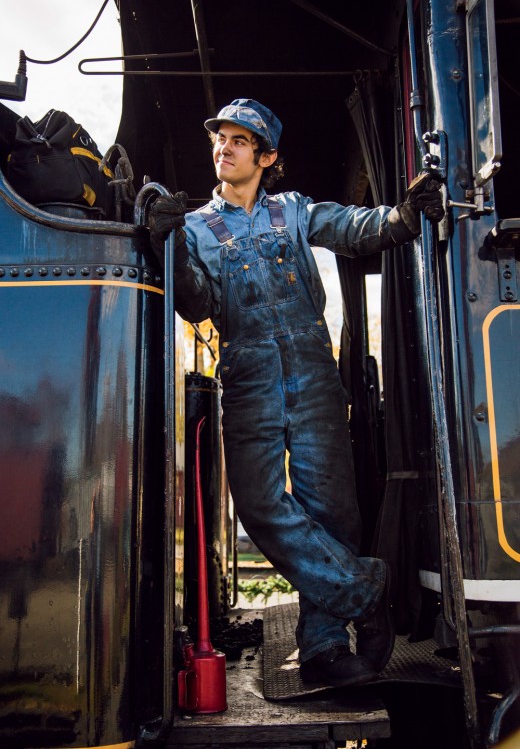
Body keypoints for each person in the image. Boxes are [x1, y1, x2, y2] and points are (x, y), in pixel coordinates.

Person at [149, 98, 444, 687]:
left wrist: (404, 216)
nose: (224, 148)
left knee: (331, 511)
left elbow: (353, 228)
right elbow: (199, 304)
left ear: (267, 155)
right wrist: (171, 250)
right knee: (260, 505)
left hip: (313, 372)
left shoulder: (294, 210)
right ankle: (366, 591)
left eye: (239, 140)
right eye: (220, 139)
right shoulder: (196, 228)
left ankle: (324, 649)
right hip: (250, 373)